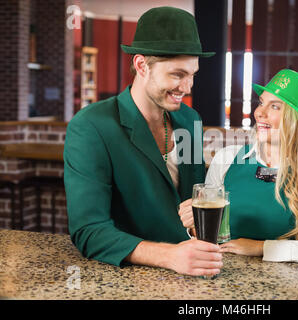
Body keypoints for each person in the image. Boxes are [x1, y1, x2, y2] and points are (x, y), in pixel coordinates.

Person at [64, 7, 223, 277]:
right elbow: (88, 231)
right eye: (177, 74)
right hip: (124, 278)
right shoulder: (91, 126)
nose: (187, 87)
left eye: (192, 74)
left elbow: (189, 202)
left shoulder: (190, 120)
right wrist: (169, 256)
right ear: (141, 66)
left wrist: (197, 222)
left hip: (190, 273)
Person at [179, 69, 298, 268]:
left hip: (284, 286)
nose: (259, 113)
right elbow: (208, 239)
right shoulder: (227, 159)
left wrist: (262, 247)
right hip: (219, 276)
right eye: (262, 102)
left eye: (275, 107)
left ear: (297, 121)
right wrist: (195, 227)